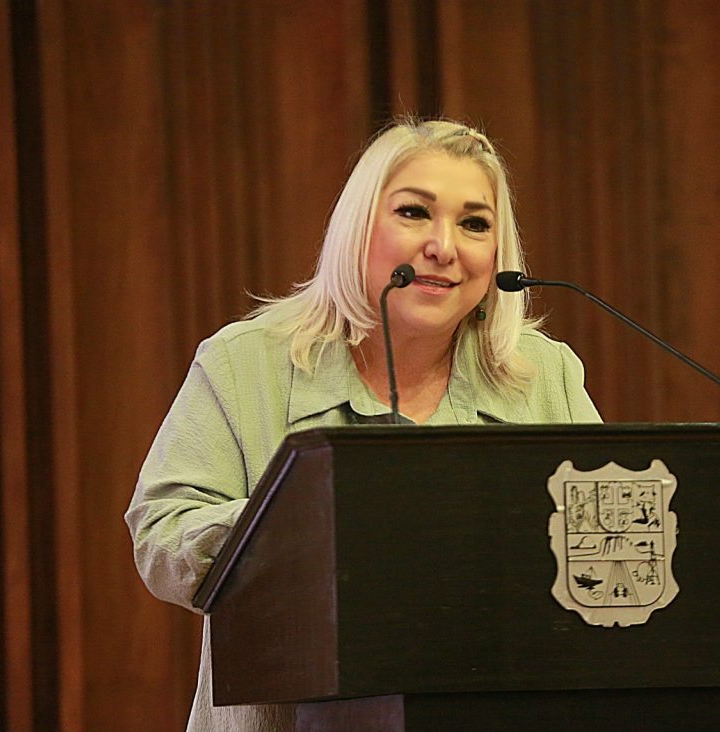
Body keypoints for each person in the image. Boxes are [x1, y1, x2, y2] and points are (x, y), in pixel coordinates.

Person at [125, 118, 601, 731]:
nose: (444, 246)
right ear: (358, 229)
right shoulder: (245, 364)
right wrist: (307, 523)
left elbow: (597, 535)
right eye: (414, 213)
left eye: (475, 224)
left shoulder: (546, 373)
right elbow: (162, 537)